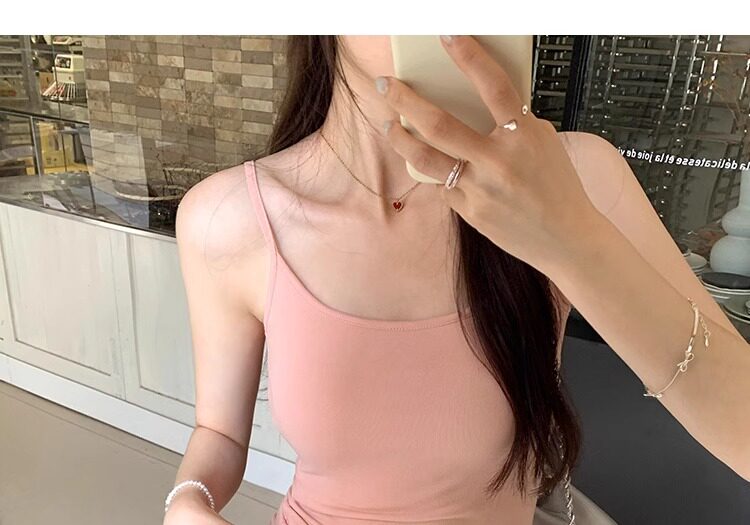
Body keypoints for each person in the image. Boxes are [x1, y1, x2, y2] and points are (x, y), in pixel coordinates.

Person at [164, 36, 750, 525]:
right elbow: (218, 432)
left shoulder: (577, 179)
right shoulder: (229, 219)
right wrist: (188, 501)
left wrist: (573, 241)